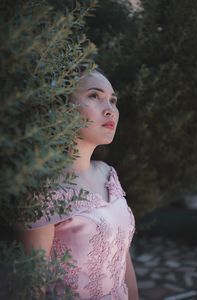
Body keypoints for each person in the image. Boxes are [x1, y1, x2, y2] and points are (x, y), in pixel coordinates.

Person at [20, 69, 139, 300]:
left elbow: (123, 257)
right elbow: (30, 287)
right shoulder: (43, 189)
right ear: (63, 108)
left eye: (113, 100)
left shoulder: (108, 173)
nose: (109, 109)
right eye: (94, 96)